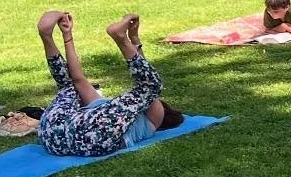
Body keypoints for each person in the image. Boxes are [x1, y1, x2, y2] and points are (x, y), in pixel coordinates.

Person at [35, 11, 183, 158]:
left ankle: (48, 38)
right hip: (51, 137)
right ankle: (47, 35)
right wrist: (67, 35)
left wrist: (133, 38)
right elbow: (78, 80)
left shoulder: (153, 121)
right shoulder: (104, 109)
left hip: (56, 123)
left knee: (152, 86)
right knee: (70, 86)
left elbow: (148, 87)